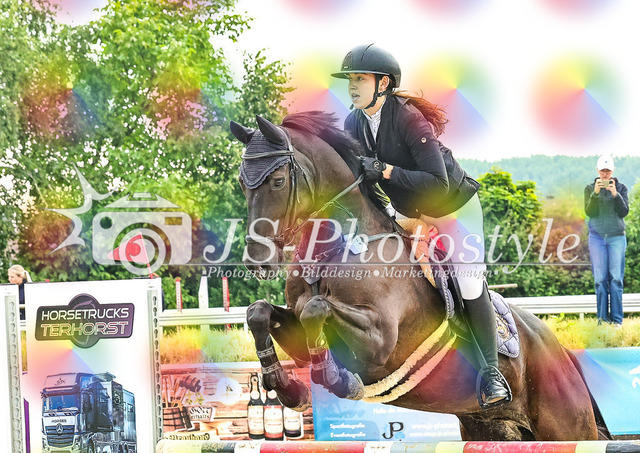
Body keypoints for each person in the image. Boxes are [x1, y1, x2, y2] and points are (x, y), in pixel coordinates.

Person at [330, 44, 511, 409]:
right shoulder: (353, 123)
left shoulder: (408, 118)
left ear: (383, 84)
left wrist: (385, 171)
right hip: (408, 213)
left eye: (360, 79)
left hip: (453, 208)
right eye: (350, 80)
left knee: (468, 279)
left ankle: (491, 372)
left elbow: (437, 183)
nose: (352, 86)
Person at [584, 155, 628, 326]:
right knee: (600, 280)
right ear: (597, 170)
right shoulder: (590, 188)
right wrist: (595, 194)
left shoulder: (621, 188)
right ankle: (602, 320)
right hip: (597, 238)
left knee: (616, 279)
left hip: (617, 237)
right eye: (602, 171)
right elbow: (589, 212)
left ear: (613, 171)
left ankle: (617, 321)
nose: (605, 174)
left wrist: (616, 194)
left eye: (608, 171)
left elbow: (624, 212)